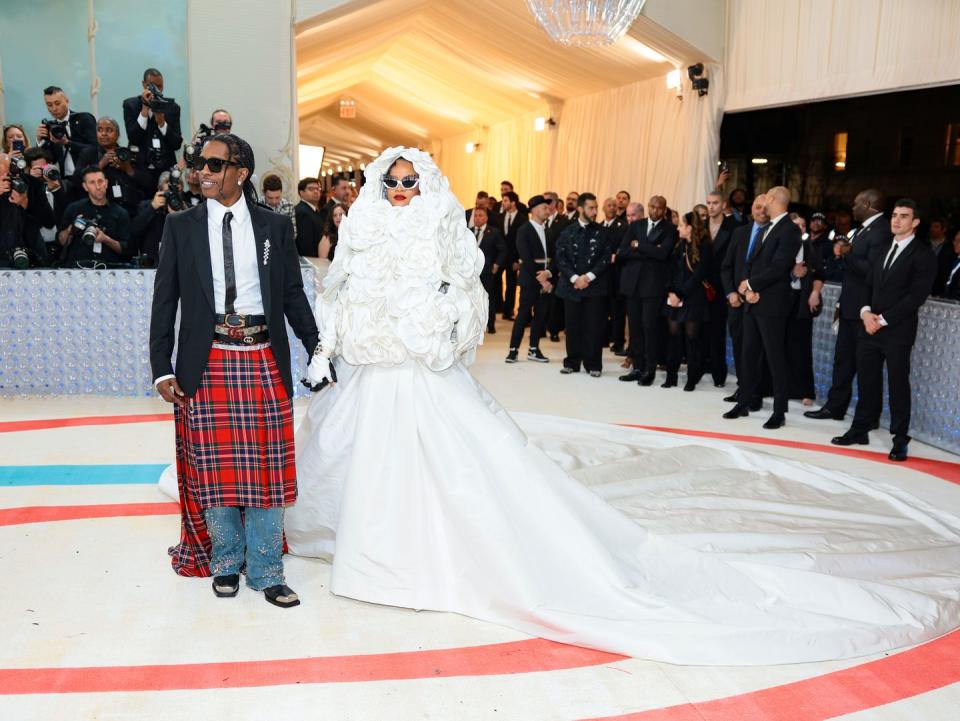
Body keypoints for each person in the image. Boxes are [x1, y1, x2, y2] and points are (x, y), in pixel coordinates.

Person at [287, 146, 960, 666]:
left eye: (411, 182)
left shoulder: (442, 232)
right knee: (369, 462)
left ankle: (416, 556)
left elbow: (466, 301)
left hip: (425, 376)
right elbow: (340, 297)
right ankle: (370, 548)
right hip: (374, 378)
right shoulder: (365, 232)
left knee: (454, 474)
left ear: (425, 186)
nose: (401, 191)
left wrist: (435, 326)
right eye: (393, 182)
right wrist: (336, 346)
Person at [149, 133, 318, 606]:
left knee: (267, 468)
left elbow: (289, 294)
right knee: (217, 469)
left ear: (241, 172)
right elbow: (165, 300)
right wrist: (161, 368)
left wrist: (316, 345)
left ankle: (266, 568)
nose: (203, 171)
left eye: (214, 165)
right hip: (208, 360)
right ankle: (225, 561)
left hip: (262, 355)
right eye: (200, 164)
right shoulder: (180, 226)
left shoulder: (273, 227)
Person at [831, 199, 936, 461]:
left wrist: (883, 319)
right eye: (894, 215)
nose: (896, 220)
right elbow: (867, 284)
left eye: (903, 216)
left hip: (897, 330)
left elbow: (916, 296)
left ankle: (900, 439)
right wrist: (866, 312)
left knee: (898, 385)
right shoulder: (882, 249)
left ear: (915, 223)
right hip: (869, 326)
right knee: (867, 379)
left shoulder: (923, 255)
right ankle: (860, 429)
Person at [805, 190, 889, 422]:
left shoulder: (881, 231)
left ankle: (867, 418)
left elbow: (872, 271)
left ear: (868, 204)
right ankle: (835, 407)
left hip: (865, 310)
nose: (852, 208)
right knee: (843, 360)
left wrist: (845, 254)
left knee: (865, 367)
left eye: (855, 203)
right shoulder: (864, 230)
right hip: (850, 305)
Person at [723, 186, 801, 429]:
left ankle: (779, 411)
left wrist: (752, 285)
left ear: (774, 200)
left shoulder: (789, 229)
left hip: (773, 305)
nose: (763, 200)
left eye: (766, 196)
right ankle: (744, 401)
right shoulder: (768, 228)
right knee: (748, 354)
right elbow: (752, 261)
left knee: (775, 358)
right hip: (754, 302)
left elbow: (779, 267)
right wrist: (747, 289)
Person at [617, 195, 676, 386]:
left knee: (650, 327)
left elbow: (663, 254)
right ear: (648, 206)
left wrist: (639, 246)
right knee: (635, 329)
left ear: (664, 209)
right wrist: (650, 250)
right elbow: (623, 252)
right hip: (632, 284)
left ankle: (650, 369)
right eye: (652, 207)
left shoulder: (670, 229)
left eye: (659, 208)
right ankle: (637, 367)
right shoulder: (636, 225)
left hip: (653, 286)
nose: (655, 211)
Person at [720, 194, 768, 407]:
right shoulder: (740, 233)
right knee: (739, 345)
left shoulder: (772, 235)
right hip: (736, 302)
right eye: (758, 207)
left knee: (757, 350)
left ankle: (755, 393)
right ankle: (743, 387)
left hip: (759, 301)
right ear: (752, 210)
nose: (761, 211)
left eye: (765, 207)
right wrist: (731, 293)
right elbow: (727, 266)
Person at [555, 193, 610, 377]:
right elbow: (560, 257)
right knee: (572, 326)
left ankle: (593, 364)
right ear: (580, 208)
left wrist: (588, 277)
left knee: (593, 327)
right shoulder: (567, 231)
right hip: (572, 287)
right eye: (591, 208)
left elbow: (605, 258)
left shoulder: (602, 232)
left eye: (595, 207)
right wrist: (574, 278)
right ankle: (572, 362)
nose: (595, 211)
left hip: (594, 287)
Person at [663, 211, 713, 391]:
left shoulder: (705, 247)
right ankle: (671, 375)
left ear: (690, 227)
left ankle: (692, 377)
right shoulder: (679, 245)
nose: (678, 228)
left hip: (693, 298)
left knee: (692, 338)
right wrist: (671, 292)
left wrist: (680, 294)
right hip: (674, 297)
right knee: (673, 336)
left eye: (681, 225)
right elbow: (669, 270)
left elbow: (698, 275)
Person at [75, 117, 154, 219]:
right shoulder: (88, 153)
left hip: (132, 209)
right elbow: (77, 180)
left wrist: (128, 169)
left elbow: (148, 183)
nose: (103, 134)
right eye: (100, 130)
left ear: (117, 134)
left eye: (109, 130)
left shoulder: (129, 154)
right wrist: (101, 164)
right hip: (102, 210)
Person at [506, 195, 552, 363]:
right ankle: (513, 350)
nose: (547, 210)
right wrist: (541, 279)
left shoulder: (548, 230)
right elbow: (525, 256)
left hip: (546, 279)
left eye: (548, 208)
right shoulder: (524, 229)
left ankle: (534, 349)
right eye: (544, 208)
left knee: (540, 315)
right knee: (523, 314)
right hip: (530, 279)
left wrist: (549, 275)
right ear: (534, 210)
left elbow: (554, 256)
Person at [57, 166, 131, 267]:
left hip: (109, 270)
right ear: (85, 186)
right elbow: (61, 242)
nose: (97, 186)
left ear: (106, 183)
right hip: (78, 268)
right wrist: (71, 228)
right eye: (92, 182)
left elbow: (126, 250)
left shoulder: (120, 213)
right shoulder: (74, 208)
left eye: (100, 181)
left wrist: (105, 239)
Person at [786, 221, 825, 405]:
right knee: (779, 345)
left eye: (802, 225)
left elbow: (819, 274)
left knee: (802, 347)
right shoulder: (780, 246)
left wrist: (815, 292)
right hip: (781, 302)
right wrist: (793, 274)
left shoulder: (810, 249)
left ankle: (805, 391)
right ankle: (779, 387)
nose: (799, 228)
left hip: (802, 302)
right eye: (795, 225)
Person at [704, 191, 739, 388]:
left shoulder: (734, 227)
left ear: (723, 204)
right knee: (699, 329)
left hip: (721, 285)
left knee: (717, 331)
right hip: (700, 284)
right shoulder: (700, 225)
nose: (711, 207)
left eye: (715, 203)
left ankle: (718, 373)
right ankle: (699, 368)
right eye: (708, 203)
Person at [122, 68, 182, 183]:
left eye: (159, 87)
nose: (156, 91)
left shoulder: (173, 108)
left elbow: (176, 144)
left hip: (165, 171)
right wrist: (145, 110)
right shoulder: (131, 105)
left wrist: (162, 123)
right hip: (140, 169)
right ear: (144, 85)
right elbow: (133, 138)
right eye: (152, 86)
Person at [0, 153, 54, 268]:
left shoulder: (34, 184)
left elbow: (49, 221)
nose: (5, 177)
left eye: (8, 173)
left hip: (32, 253)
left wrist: (25, 204)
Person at [35, 86, 97, 185]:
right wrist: (40, 141)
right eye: (49, 105)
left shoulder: (84, 118)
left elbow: (95, 148)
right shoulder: (51, 127)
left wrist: (68, 143)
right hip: (66, 180)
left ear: (67, 101)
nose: (54, 108)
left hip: (89, 177)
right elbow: (50, 159)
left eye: (57, 103)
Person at [23, 147, 68, 261]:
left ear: (51, 165)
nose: (42, 172)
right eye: (37, 169)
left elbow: (69, 212)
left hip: (62, 246)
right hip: (36, 247)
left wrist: (57, 190)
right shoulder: (24, 189)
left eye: (44, 168)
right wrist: (32, 182)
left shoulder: (66, 186)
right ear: (28, 169)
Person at [471, 205, 506, 334]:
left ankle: (490, 324)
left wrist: (496, 265)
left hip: (487, 271)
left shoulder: (494, 232)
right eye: (475, 215)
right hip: (471, 273)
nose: (477, 218)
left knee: (488, 298)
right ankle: (473, 324)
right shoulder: (468, 231)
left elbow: (503, 250)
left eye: (480, 215)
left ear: (486, 218)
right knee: (472, 299)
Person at [499, 191, 526, 320]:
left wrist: (517, 260)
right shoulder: (499, 216)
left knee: (511, 284)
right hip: (500, 257)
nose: (503, 203)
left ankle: (508, 311)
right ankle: (498, 308)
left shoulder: (522, 218)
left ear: (513, 203)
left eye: (505, 200)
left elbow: (521, 242)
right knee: (495, 283)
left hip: (513, 258)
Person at [294, 177, 323, 257]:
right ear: (301, 192)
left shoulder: (313, 210)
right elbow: (306, 244)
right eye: (311, 189)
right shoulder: (302, 212)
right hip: (311, 260)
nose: (316, 191)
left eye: (318, 189)